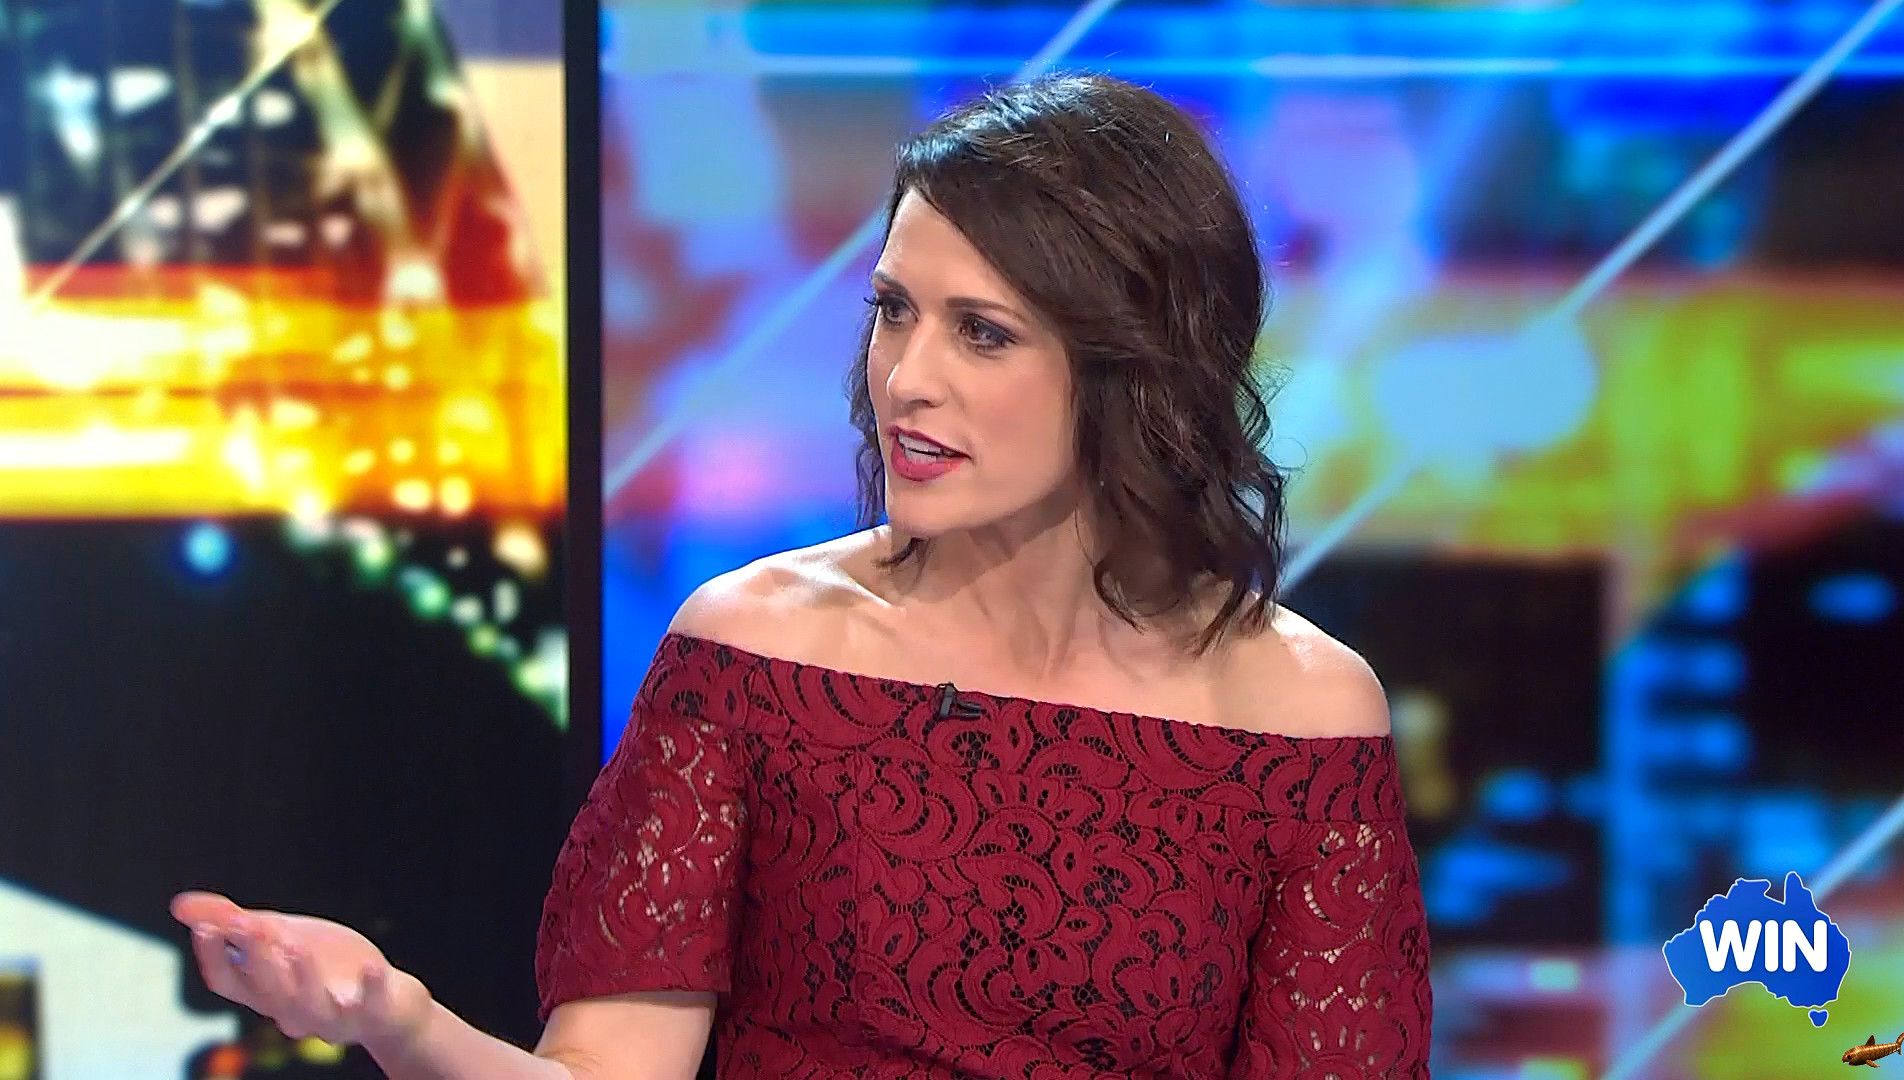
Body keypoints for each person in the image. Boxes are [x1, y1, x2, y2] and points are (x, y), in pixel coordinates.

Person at [172, 72, 1433, 1078]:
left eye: (981, 333)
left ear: (1136, 370)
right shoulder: (757, 653)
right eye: (894, 311)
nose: (907, 379)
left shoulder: (1302, 717)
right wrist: (398, 1018)